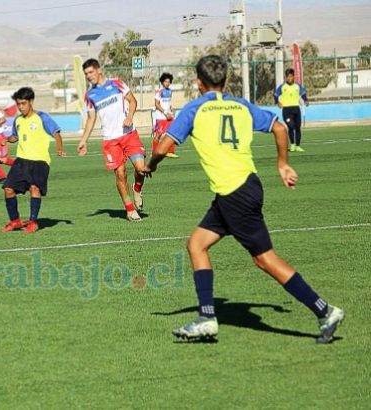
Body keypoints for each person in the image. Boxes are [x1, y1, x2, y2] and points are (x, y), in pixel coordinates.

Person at [144, 55, 343, 344]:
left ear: (198, 82)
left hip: (234, 193)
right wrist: (282, 163)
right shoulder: (241, 106)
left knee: (265, 259)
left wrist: (152, 165)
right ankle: (207, 317)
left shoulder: (194, 109)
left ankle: (324, 311)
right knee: (197, 244)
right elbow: (278, 126)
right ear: (225, 81)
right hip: (242, 187)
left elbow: (164, 145)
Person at [77, 58, 146, 222]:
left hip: (129, 134)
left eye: (91, 72)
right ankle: (130, 210)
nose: (88, 76)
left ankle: (137, 188)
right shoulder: (90, 95)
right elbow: (91, 118)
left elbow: (133, 101)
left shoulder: (117, 83)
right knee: (120, 174)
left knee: (141, 169)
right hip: (111, 140)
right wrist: (84, 140)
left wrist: (129, 117)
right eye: (86, 74)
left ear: (99, 70)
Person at [1, 87, 65, 234]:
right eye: (18, 104)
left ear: (31, 101)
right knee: (8, 189)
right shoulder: (17, 120)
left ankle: (33, 222)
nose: (21, 107)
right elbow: (15, 136)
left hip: (40, 161)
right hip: (21, 160)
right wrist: (7, 139)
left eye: (23, 103)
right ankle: (15, 221)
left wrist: (59, 147)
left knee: (34, 188)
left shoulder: (42, 117)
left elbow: (56, 132)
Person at [274, 68, 309, 152]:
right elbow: (275, 95)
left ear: (293, 77)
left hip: (296, 109)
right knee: (291, 126)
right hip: (286, 110)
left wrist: (306, 100)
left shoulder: (297, 86)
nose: (289, 78)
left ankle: (297, 146)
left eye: (291, 76)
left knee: (297, 127)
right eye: (287, 77)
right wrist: (277, 102)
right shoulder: (282, 86)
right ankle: (292, 145)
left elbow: (303, 94)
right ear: (286, 78)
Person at [152, 72, 178, 158]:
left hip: (169, 116)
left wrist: (171, 108)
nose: (167, 83)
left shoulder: (170, 91)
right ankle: (154, 152)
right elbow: (157, 104)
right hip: (161, 117)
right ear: (162, 82)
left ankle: (170, 152)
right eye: (165, 81)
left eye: (168, 81)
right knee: (158, 135)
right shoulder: (159, 91)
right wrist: (165, 113)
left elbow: (167, 102)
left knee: (172, 133)